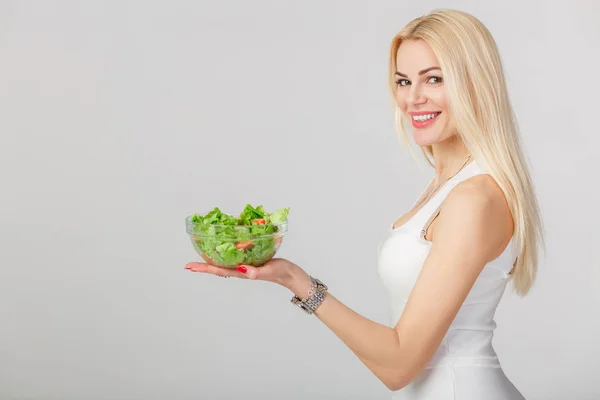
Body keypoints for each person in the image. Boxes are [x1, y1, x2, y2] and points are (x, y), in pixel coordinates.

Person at [186, 8, 545, 400]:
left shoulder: (473, 198)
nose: (413, 98)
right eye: (403, 81)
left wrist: (294, 280)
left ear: (476, 83)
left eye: (435, 79)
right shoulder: (449, 186)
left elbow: (400, 364)